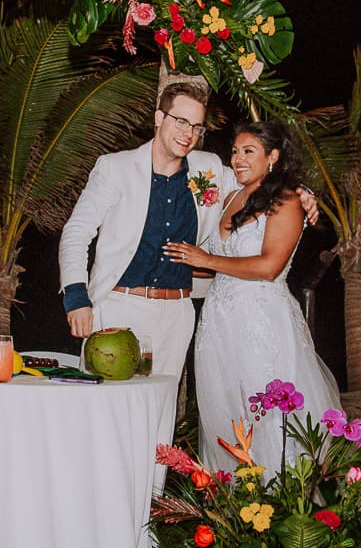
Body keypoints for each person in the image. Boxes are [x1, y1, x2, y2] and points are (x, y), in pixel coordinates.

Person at [163, 120, 343, 470]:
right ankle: (239, 508)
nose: (238, 159)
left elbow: (269, 266)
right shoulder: (231, 197)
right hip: (218, 322)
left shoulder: (287, 199)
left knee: (269, 417)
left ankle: (282, 504)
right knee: (227, 413)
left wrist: (205, 258)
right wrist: (177, 260)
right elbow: (215, 265)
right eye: (234, 151)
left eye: (249, 151)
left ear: (272, 156)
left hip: (261, 320)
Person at [58, 82, 236, 377]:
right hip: (118, 306)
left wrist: (299, 193)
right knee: (105, 411)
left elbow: (253, 187)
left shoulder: (210, 168)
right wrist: (77, 299)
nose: (188, 134)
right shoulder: (115, 168)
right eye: (181, 121)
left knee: (159, 414)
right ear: (159, 118)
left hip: (177, 314)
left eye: (196, 127)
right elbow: (77, 231)